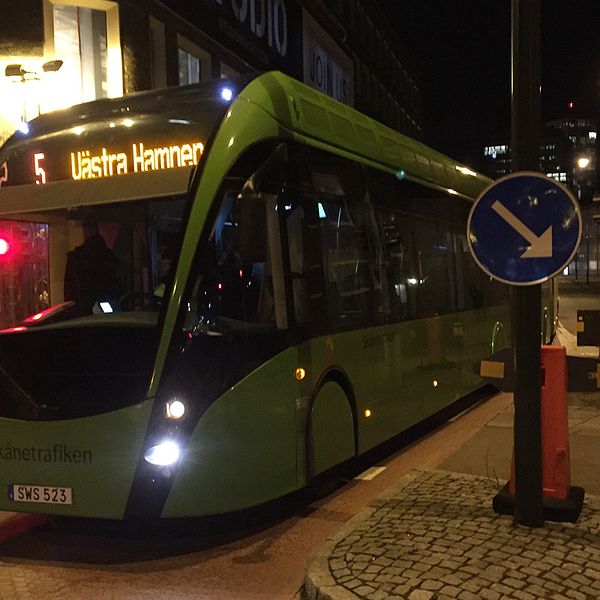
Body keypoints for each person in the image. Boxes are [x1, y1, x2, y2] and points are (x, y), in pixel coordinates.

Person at [64, 221, 121, 316]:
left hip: (82, 310)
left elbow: (70, 289)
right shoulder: (107, 256)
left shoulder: (77, 258)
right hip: (106, 303)